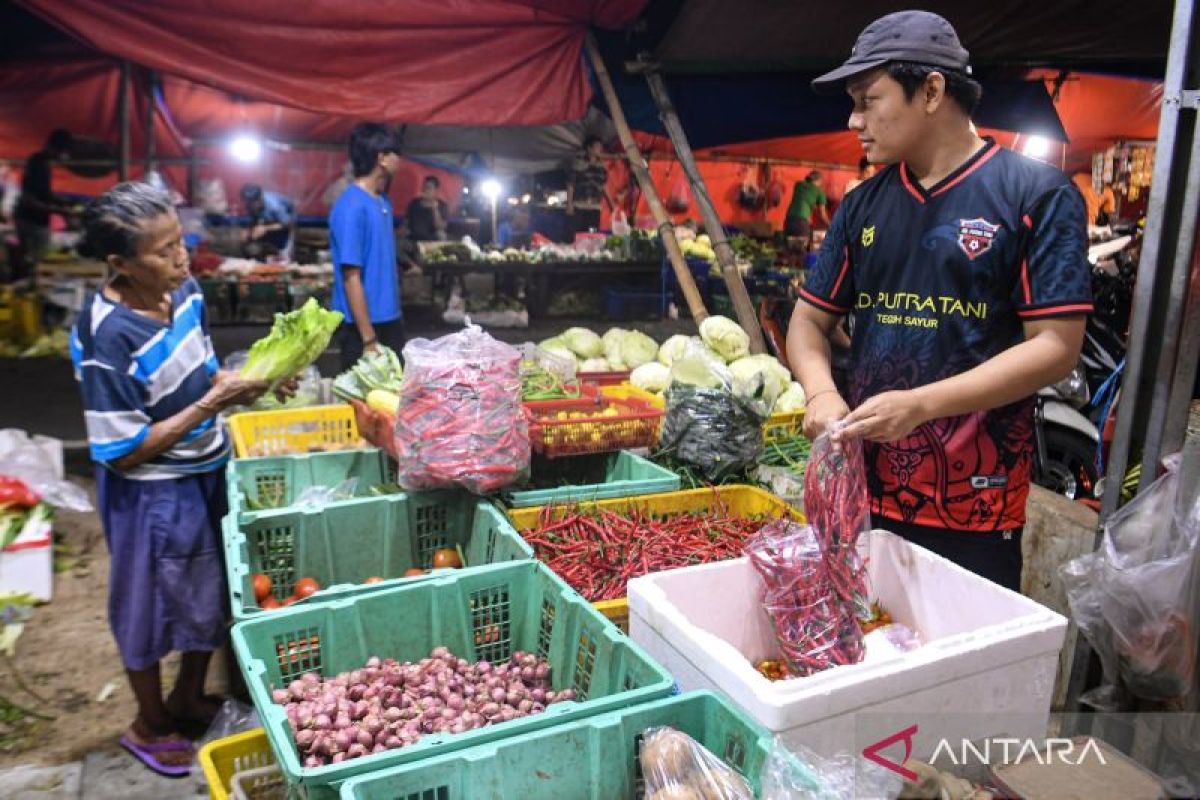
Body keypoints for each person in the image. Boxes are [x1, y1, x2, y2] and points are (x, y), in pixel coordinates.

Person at [788, 11, 1092, 591]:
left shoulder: (1037, 194)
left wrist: (922, 404)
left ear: (931, 90)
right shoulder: (861, 205)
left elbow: (1056, 347)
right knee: (863, 649)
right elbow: (807, 321)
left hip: (975, 504)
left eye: (867, 99)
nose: (854, 120)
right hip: (864, 489)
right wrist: (821, 392)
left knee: (958, 665)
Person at [70, 182, 294, 777]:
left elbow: (200, 372)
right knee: (145, 608)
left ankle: (190, 697)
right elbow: (120, 450)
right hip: (149, 493)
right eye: (163, 250)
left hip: (205, 468)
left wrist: (256, 380)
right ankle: (151, 722)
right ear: (119, 263)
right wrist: (214, 404)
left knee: (208, 593)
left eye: (180, 242)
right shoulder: (105, 336)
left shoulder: (186, 290)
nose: (180, 258)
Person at [330, 123, 404, 370]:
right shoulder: (351, 207)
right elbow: (351, 278)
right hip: (362, 328)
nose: (399, 160)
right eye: (395, 153)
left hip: (390, 319)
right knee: (365, 406)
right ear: (382, 158)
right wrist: (369, 338)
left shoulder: (383, 201)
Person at [13, 128, 74, 283]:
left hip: (35, 219)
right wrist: (58, 209)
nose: (63, 156)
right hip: (30, 220)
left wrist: (65, 202)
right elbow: (30, 199)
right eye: (62, 152)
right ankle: (31, 292)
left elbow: (44, 193)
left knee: (38, 261)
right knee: (36, 263)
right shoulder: (36, 164)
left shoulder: (43, 164)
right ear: (54, 148)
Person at [566, 135, 611, 236]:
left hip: (595, 206)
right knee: (577, 233)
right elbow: (570, 184)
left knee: (592, 234)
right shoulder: (578, 163)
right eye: (597, 147)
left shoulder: (601, 167)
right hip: (580, 204)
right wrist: (569, 203)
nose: (599, 150)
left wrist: (611, 204)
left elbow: (603, 186)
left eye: (600, 148)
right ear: (589, 148)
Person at [240, 183, 295, 258]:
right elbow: (253, 218)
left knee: (283, 255)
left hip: (287, 221)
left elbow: (288, 224)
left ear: (260, 198)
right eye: (248, 203)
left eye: (253, 204)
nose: (251, 207)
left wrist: (266, 228)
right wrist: (248, 230)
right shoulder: (250, 203)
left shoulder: (275, 206)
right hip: (270, 221)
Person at [784, 171, 830, 242]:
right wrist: (830, 225)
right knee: (801, 247)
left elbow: (803, 199)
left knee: (789, 246)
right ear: (819, 180)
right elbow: (822, 215)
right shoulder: (819, 192)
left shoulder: (798, 185)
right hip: (801, 222)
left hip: (789, 219)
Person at [405, 175, 449, 242]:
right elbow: (406, 223)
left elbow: (441, 227)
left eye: (429, 188)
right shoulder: (414, 203)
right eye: (424, 187)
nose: (425, 190)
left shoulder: (442, 206)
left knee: (442, 235)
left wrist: (435, 209)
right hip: (413, 240)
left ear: (436, 191)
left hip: (432, 241)